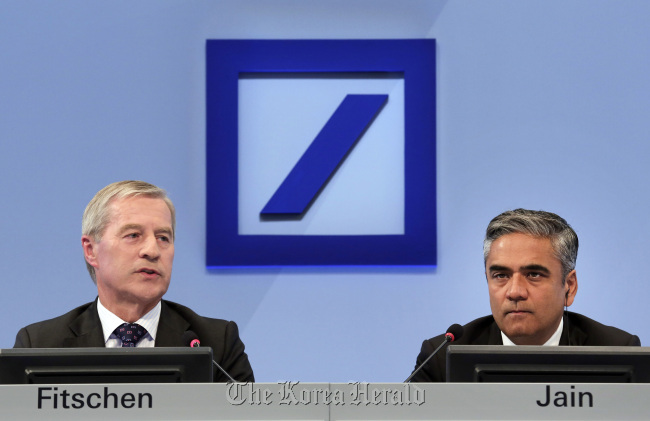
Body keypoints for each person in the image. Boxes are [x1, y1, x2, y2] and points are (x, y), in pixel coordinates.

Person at [14, 180, 254, 382]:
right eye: (133, 235)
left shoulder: (215, 344)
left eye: (163, 237)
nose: (152, 250)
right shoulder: (40, 346)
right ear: (91, 250)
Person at [409, 208, 640, 382]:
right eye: (501, 275)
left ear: (569, 286)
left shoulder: (617, 352)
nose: (515, 292)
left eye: (533, 274)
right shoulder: (442, 358)